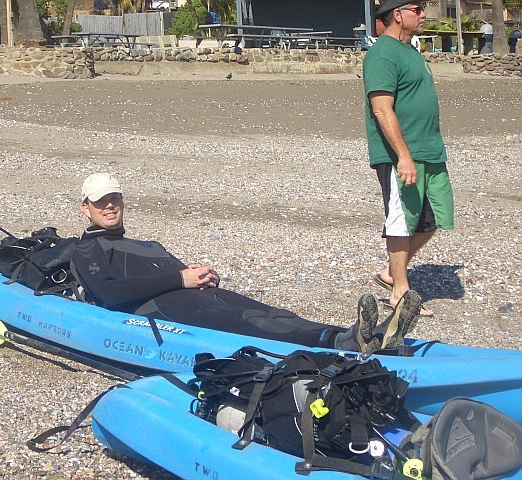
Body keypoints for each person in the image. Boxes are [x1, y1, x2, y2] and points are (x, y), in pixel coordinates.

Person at [72, 173, 422, 354]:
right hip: (159, 308)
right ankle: (340, 343)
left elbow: (181, 275)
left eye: (115, 199)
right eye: (101, 202)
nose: (110, 207)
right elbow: (109, 293)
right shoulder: (87, 249)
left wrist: (207, 276)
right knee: (249, 322)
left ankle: (356, 335)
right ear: (86, 207)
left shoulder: (146, 244)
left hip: (191, 296)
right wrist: (180, 279)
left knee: (272, 314)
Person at [363, 0, 455, 317]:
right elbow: (381, 108)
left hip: (429, 151)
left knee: (431, 221)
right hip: (402, 155)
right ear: (398, 15)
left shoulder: (411, 51)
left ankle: (392, 271)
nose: (424, 15)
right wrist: (403, 156)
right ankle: (400, 291)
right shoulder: (382, 53)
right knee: (401, 221)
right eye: (417, 9)